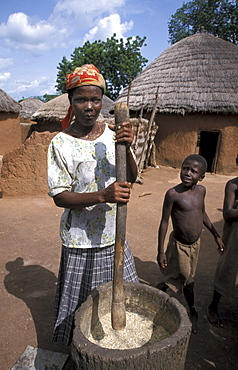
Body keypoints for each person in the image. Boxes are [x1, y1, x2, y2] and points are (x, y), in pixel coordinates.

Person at [47, 64, 139, 345]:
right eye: (81, 99)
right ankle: (82, 350)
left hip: (114, 235)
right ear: (70, 102)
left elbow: (131, 177)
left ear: (102, 101)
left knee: (124, 297)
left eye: (95, 99)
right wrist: (103, 195)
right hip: (80, 240)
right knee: (81, 305)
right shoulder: (60, 143)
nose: (89, 106)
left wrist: (127, 147)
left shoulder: (114, 135)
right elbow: (60, 196)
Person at [156, 154, 225, 333]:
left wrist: (216, 235)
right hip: (179, 244)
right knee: (188, 280)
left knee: (180, 272)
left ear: (201, 177)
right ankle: (192, 310)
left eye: (194, 171)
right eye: (185, 168)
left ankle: (162, 287)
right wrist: (161, 250)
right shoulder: (173, 194)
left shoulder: (201, 191)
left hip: (195, 244)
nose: (188, 173)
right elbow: (164, 222)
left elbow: (202, 213)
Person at [207, 176, 238, 327]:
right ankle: (213, 306)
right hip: (234, 234)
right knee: (227, 267)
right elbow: (227, 213)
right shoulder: (233, 185)